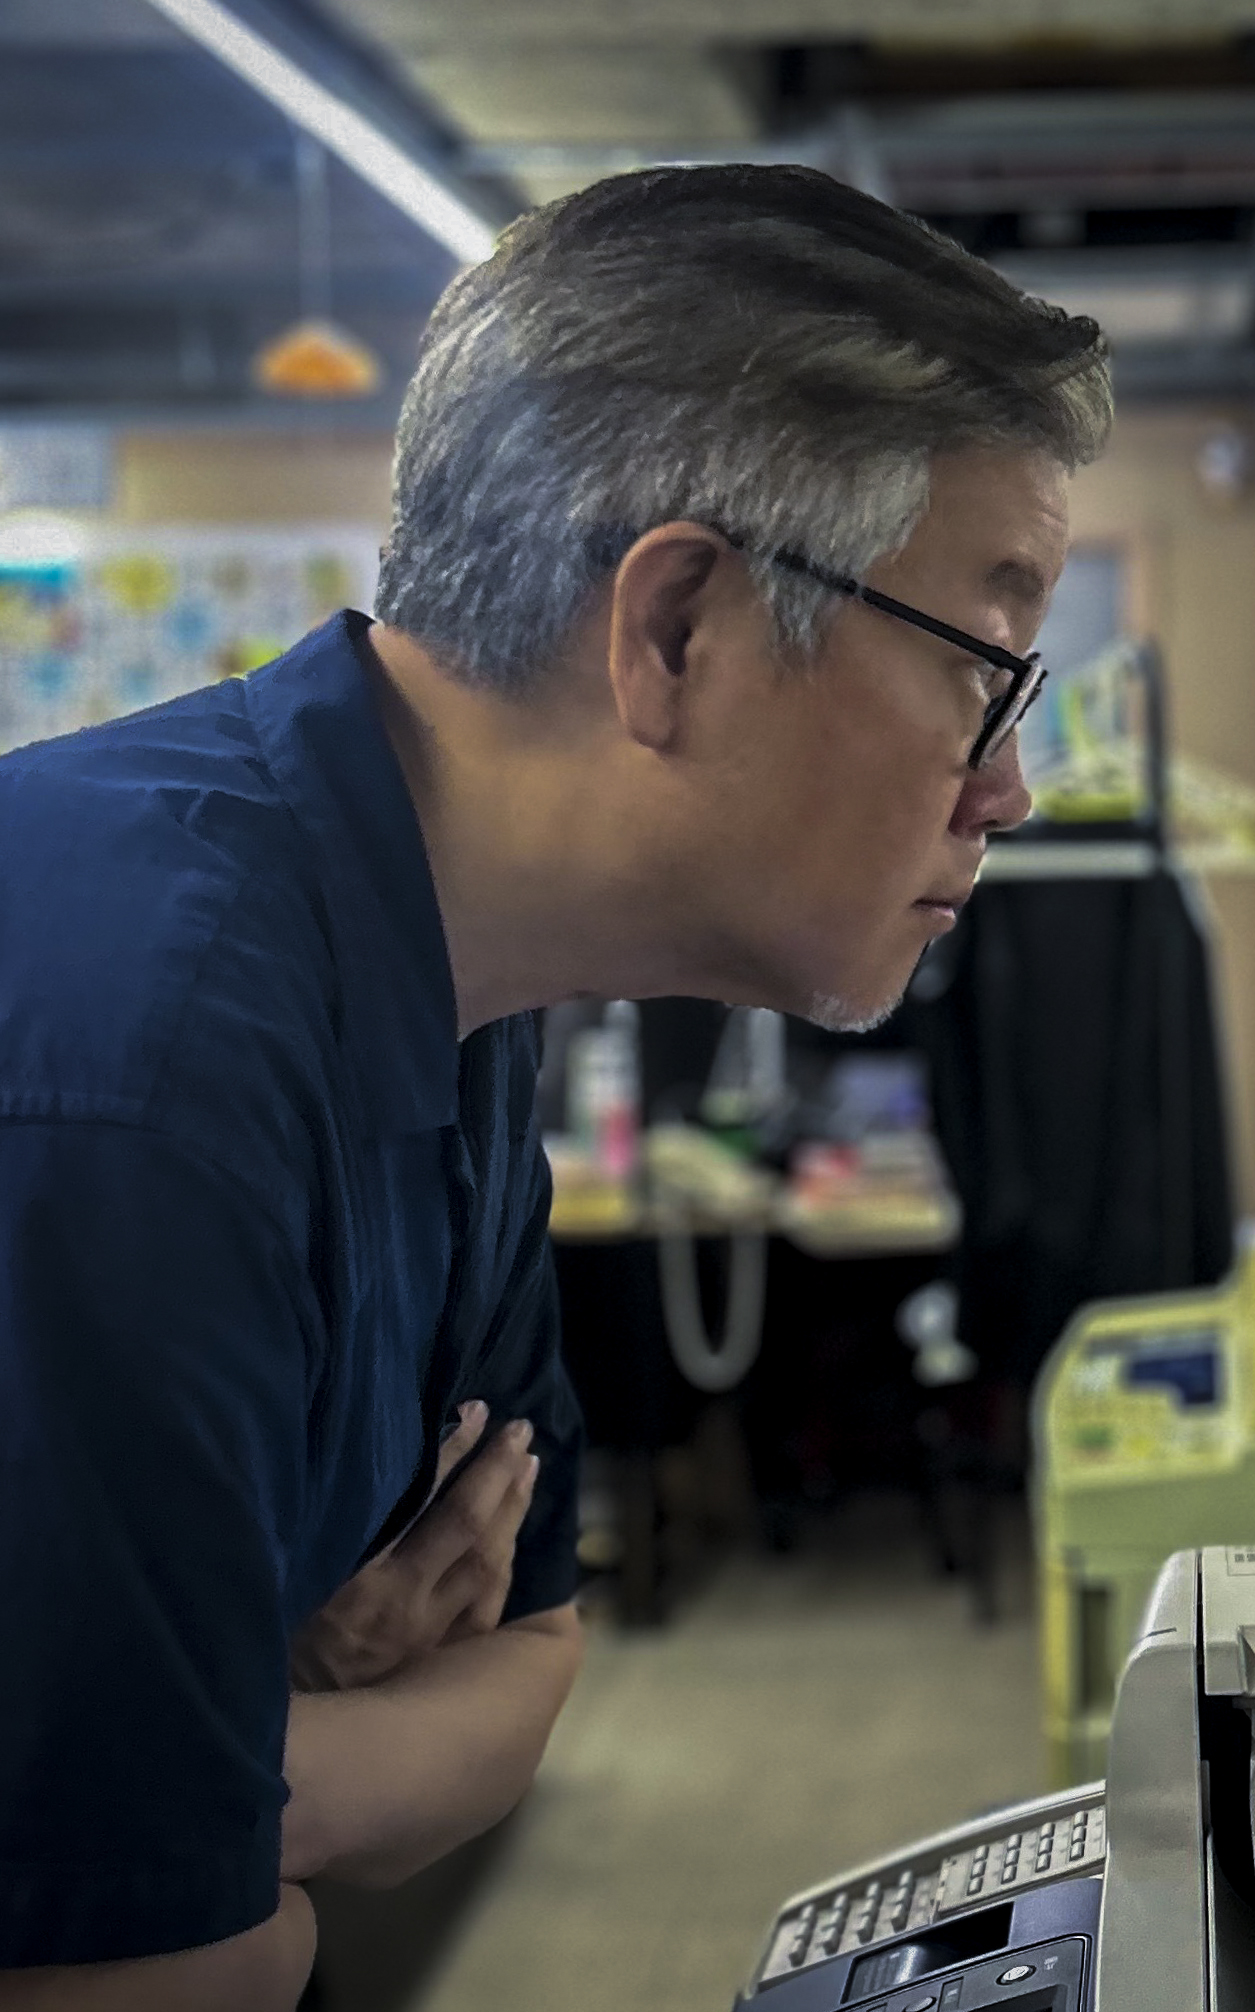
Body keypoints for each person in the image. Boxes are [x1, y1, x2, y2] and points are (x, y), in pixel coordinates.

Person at [0, 164, 1111, 2008]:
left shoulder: (456, 980)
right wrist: (253, 1797)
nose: (1010, 788)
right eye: (987, 668)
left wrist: (225, 1780)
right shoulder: (145, 1063)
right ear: (677, 628)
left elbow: (523, 1670)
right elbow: (160, 1976)